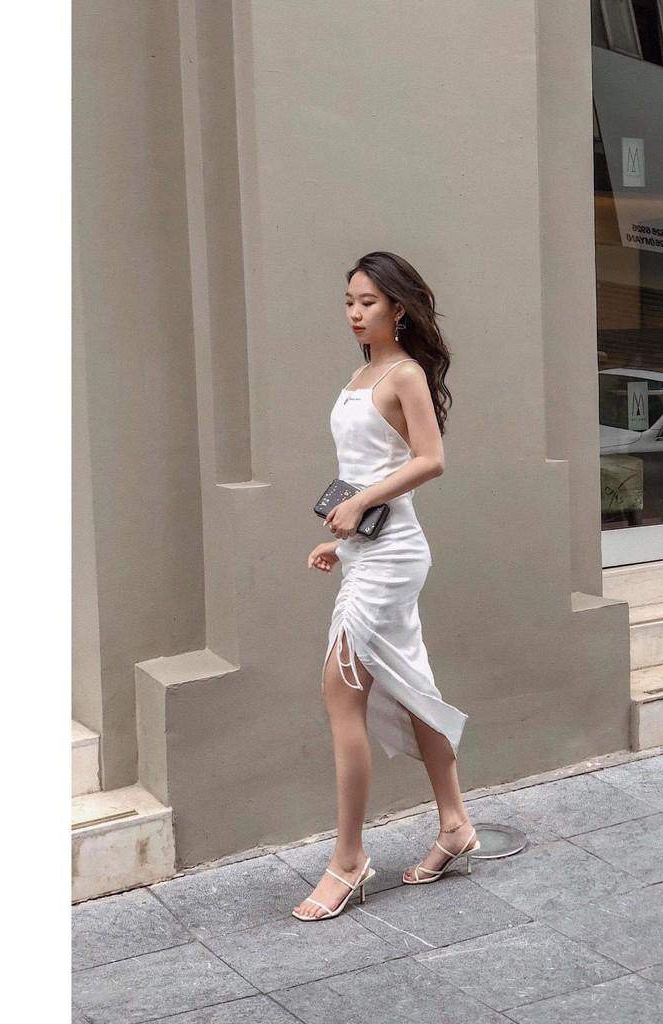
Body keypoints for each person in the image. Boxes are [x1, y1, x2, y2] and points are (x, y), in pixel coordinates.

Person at [291, 252, 480, 921]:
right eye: (348, 301)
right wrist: (341, 538)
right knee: (410, 688)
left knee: (340, 692)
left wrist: (360, 504)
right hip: (367, 550)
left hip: (395, 555)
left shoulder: (404, 374)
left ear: (398, 308)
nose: (354, 313)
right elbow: (365, 468)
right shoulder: (359, 376)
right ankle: (455, 825)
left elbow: (431, 460)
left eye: (367, 302)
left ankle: (348, 860)